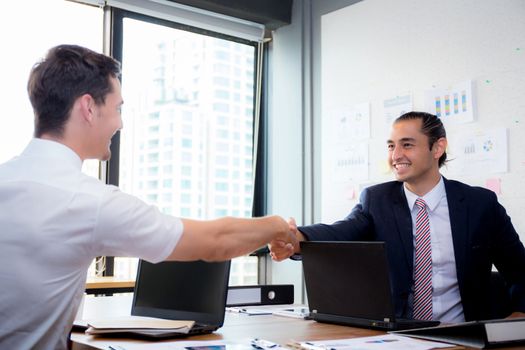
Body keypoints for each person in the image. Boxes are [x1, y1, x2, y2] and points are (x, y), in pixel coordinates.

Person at [0, 44, 295, 349]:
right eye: (118, 108)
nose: (120, 123)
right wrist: (275, 225)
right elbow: (214, 241)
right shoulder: (87, 202)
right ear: (88, 108)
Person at [270, 111, 525, 323]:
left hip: (464, 335)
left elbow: (520, 271)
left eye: (407, 145)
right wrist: (297, 237)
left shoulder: (480, 204)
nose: (395, 155)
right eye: (391, 146)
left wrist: (519, 315)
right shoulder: (376, 200)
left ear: (438, 147)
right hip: (399, 335)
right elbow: (343, 230)